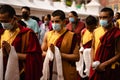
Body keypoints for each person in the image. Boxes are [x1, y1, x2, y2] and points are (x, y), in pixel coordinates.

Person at [0, 4, 43, 80]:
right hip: (3, 70)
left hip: (21, 72)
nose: (3, 24)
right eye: (1, 21)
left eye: (6, 21)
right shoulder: (2, 33)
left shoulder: (27, 34)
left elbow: (35, 58)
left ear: (14, 18)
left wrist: (11, 52)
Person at [41, 10, 80, 80]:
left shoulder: (71, 36)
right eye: (52, 22)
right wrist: (51, 54)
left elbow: (76, 57)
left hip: (66, 71)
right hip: (50, 69)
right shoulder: (48, 34)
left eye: (57, 21)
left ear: (64, 21)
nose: (54, 24)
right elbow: (42, 52)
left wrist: (57, 54)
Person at [89, 7, 120, 80]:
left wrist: (104, 65)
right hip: (96, 66)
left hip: (110, 67)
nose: (102, 20)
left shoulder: (117, 33)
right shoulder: (96, 31)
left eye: (105, 17)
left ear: (112, 18)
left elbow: (119, 54)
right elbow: (93, 47)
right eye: (100, 17)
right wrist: (92, 62)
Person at [77, 15, 97, 80]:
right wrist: (81, 47)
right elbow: (81, 42)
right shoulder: (84, 31)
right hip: (83, 55)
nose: (89, 29)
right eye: (87, 27)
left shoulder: (97, 32)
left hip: (93, 56)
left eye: (91, 28)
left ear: (95, 25)